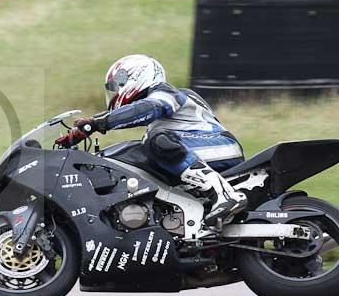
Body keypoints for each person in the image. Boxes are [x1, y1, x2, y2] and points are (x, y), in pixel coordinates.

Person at [61, 54, 247, 225]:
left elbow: (149, 108)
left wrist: (96, 123)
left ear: (137, 75)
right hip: (200, 147)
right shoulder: (160, 119)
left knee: (156, 142)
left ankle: (225, 195)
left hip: (219, 145)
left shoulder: (167, 93)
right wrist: (80, 133)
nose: (115, 92)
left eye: (118, 84)